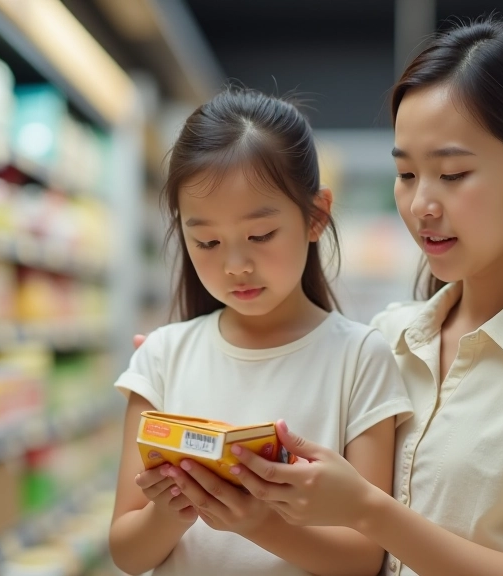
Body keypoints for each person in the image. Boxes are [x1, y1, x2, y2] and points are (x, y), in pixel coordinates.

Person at [137, 17, 503, 576]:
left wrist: (368, 512)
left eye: (453, 173)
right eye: (406, 174)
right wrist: (199, 363)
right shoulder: (390, 338)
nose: (422, 205)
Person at [108, 87, 413, 576]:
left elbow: (365, 557)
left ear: (316, 215)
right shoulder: (162, 356)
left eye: (260, 235)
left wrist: (259, 524)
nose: (235, 265)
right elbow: (126, 552)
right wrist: (168, 514)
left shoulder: (360, 357)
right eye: (207, 241)